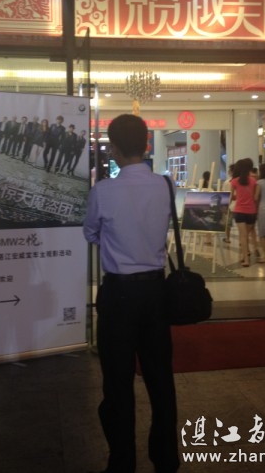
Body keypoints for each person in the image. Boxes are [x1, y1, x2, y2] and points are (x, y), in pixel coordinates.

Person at [83, 114, 179, 473]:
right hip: (156, 294)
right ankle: (166, 458)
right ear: (146, 144)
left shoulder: (103, 191)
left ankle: (122, 461)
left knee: (118, 384)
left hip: (119, 296)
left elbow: (90, 233)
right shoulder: (165, 185)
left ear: (114, 148)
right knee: (161, 379)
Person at [230, 158, 257, 267]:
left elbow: (231, 196)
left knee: (243, 235)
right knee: (246, 235)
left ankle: (245, 259)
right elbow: (255, 197)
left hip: (239, 211)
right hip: (251, 212)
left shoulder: (234, 181)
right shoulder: (253, 181)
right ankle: (244, 255)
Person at [222, 164, 235, 243]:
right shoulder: (241, 181)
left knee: (228, 223)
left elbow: (224, 193)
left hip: (229, 204)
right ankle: (241, 241)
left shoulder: (227, 182)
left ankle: (228, 238)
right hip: (237, 205)